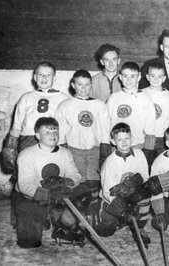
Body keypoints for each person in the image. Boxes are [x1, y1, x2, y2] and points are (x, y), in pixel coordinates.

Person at [1, 61, 69, 227]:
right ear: (34, 77)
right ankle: (23, 217)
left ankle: (47, 215)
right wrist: (10, 146)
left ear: (54, 77)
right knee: (26, 180)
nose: (44, 78)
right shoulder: (26, 97)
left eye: (48, 75)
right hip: (29, 139)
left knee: (50, 178)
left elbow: (67, 126)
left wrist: (64, 146)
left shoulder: (63, 98)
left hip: (53, 140)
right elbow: (16, 126)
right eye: (40, 74)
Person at [15, 117, 84, 248]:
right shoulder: (27, 154)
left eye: (55, 132)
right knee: (29, 242)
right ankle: (43, 217)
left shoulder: (65, 152)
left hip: (58, 196)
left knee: (84, 193)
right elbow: (25, 184)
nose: (53, 135)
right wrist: (48, 194)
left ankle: (62, 227)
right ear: (37, 135)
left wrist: (66, 182)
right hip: (32, 198)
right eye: (47, 132)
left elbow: (75, 175)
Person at [55, 70, 111, 224]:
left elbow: (105, 130)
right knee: (76, 185)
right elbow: (61, 133)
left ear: (91, 86)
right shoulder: (65, 105)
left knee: (93, 183)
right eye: (80, 84)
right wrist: (63, 154)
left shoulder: (100, 105)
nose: (84, 88)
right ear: (73, 85)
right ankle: (73, 219)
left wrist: (104, 153)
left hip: (94, 150)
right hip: (74, 150)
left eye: (87, 85)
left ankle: (91, 216)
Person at [95, 123, 151, 246]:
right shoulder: (110, 163)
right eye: (119, 139)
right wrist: (122, 209)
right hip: (113, 197)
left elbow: (146, 176)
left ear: (132, 138)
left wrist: (139, 179)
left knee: (146, 193)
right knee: (105, 230)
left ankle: (139, 228)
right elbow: (107, 192)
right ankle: (121, 219)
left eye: (127, 138)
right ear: (113, 141)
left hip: (133, 193)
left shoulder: (139, 154)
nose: (124, 142)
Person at [106, 62, 157, 165]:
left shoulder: (145, 98)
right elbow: (107, 124)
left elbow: (150, 128)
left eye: (133, 76)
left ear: (139, 77)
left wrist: (148, 151)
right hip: (117, 146)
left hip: (138, 146)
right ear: (120, 77)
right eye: (125, 76)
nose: (129, 80)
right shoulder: (113, 98)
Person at [143, 62, 169, 154]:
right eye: (152, 76)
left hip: (162, 138)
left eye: (159, 76)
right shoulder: (141, 94)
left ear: (164, 79)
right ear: (147, 77)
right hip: (144, 137)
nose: (156, 79)